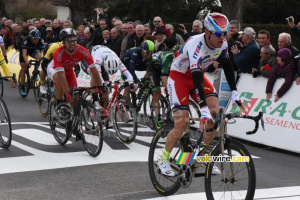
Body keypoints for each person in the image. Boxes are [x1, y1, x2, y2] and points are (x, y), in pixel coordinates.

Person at [157, 13, 245, 176]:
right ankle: (163, 158)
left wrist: (234, 91)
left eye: (225, 33)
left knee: (215, 116)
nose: (223, 37)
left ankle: (200, 158)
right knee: (182, 124)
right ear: (207, 33)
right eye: (218, 34)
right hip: (180, 78)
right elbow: (196, 76)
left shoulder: (223, 44)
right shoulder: (194, 44)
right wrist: (202, 107)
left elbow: (226, 65)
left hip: (198, 77)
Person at [48, 28, 102, 106]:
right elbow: (61, 76)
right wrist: (67, 92)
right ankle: (58, 103)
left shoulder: (83, 51)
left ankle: (74, 115)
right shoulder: (58, 53)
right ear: (63, 43)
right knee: (60, 81)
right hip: (54, 70)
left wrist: (100, 87)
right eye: (68, 41)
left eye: (73, 40)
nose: (72, 43)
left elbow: (94, 70)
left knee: (76, 96)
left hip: (69, 70)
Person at [90, 45, 136, 117]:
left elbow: (128, 74)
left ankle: (104, 115)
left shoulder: (117, 60)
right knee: (94, 75)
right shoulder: (98, 58)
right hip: (92, 55)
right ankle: (94, 100)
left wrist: (131, 84)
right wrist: (102, 85)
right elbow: (98, 75)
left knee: (106, 92)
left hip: (105, 56)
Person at [148, 37, 178, 129]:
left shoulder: (177, 54)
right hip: (154, 69)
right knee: (157, 91)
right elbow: (164, 76)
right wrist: (170, 91)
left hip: (165, 68)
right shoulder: (167, 57)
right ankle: (158, 118)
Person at [19, 29, 45, 96]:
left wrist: (40, 60)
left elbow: (42, 51)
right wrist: (27, 63)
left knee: (39, 57)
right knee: (24, 68)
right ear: (31, 37)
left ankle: (35, 71)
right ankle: (22, 86)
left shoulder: (40, 40)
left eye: (37, 39)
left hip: (33, 50)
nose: (36, 40)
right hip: (24, 51)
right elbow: (24, 54)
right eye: (34, 39)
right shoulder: (26, 40)